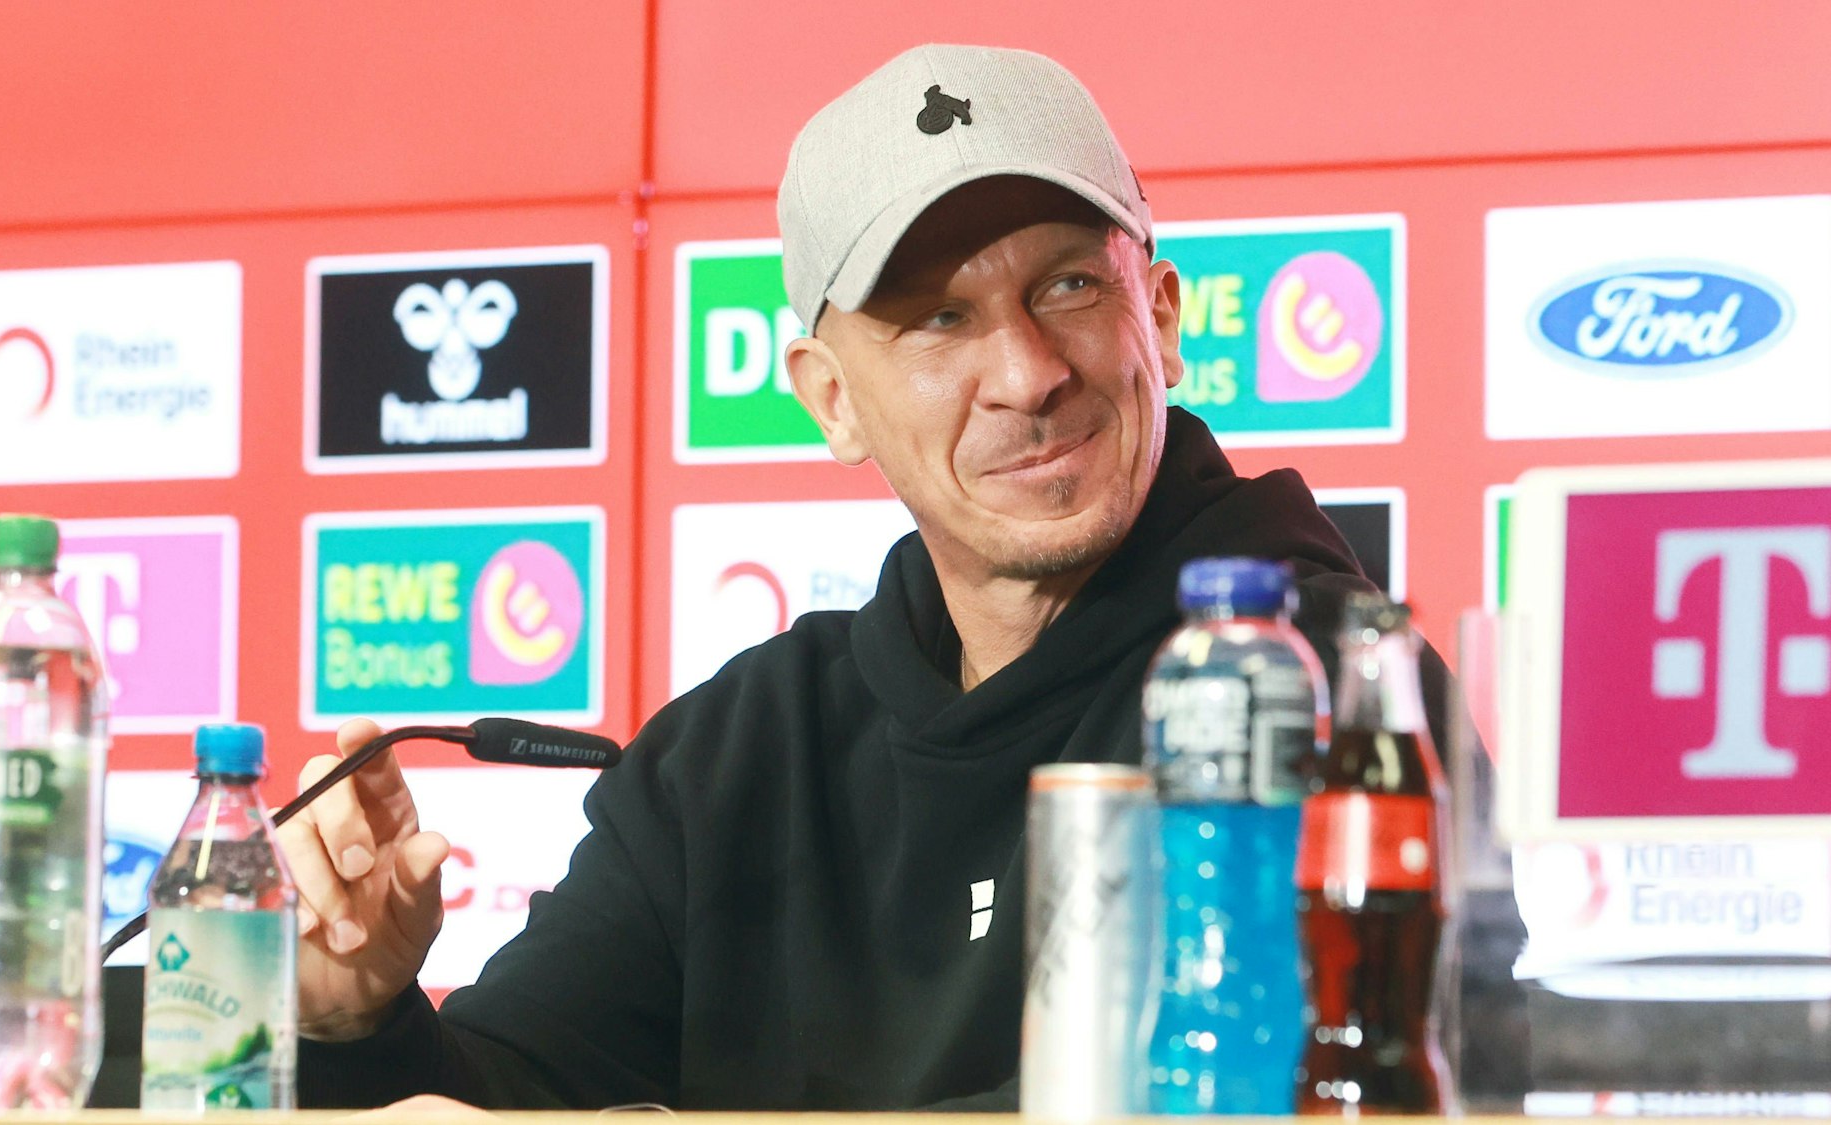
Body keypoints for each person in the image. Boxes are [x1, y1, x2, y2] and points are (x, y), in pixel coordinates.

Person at [286, 43, 1453, 1112]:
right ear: (829, 396)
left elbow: (1284, 1094)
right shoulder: (740, 746)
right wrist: (356, 1025)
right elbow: (501, 1095)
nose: (1025, 372)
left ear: (1156, 311)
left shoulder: (1310, 685)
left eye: (1066, 286)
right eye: (939, 316)